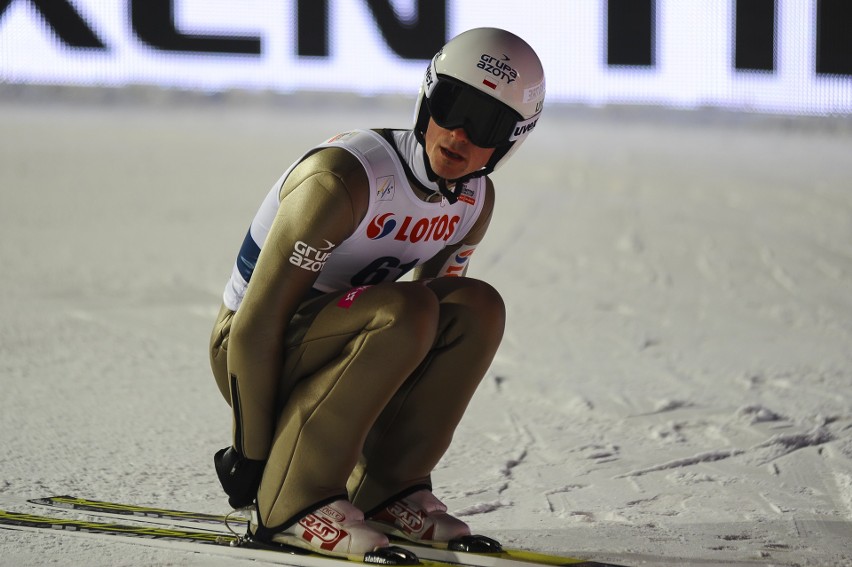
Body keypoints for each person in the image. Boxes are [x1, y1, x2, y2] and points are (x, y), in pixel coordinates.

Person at [209, 27, 545, 563]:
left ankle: (392, 488)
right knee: (406, 310)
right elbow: (253, 326)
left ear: (512, 139)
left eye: (486, 124)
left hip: (354, 337)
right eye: (451, 105)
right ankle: (293, 502)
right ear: (426, 97)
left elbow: (436, 343)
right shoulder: (346, 178)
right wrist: (250, 452)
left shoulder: (474, 199)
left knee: (474, 308)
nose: (458, 133)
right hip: (250, 351)